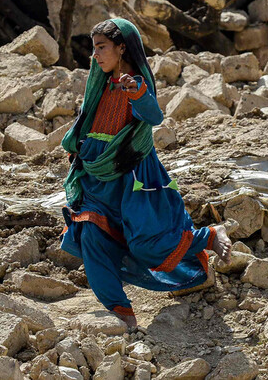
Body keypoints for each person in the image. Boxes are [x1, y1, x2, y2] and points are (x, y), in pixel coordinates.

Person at [59, 18, 231, 327]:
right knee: (91, 237)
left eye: (102, 48)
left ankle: (207, 237)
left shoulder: (135, 84)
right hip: (95, 180)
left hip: (132, 178)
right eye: (94, 48)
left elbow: (153, 116)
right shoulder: (99, 84)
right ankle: (123, 317)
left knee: (145, 244)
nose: (95, 55)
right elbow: (88, 121)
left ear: (122, 47)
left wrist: (137, 92)